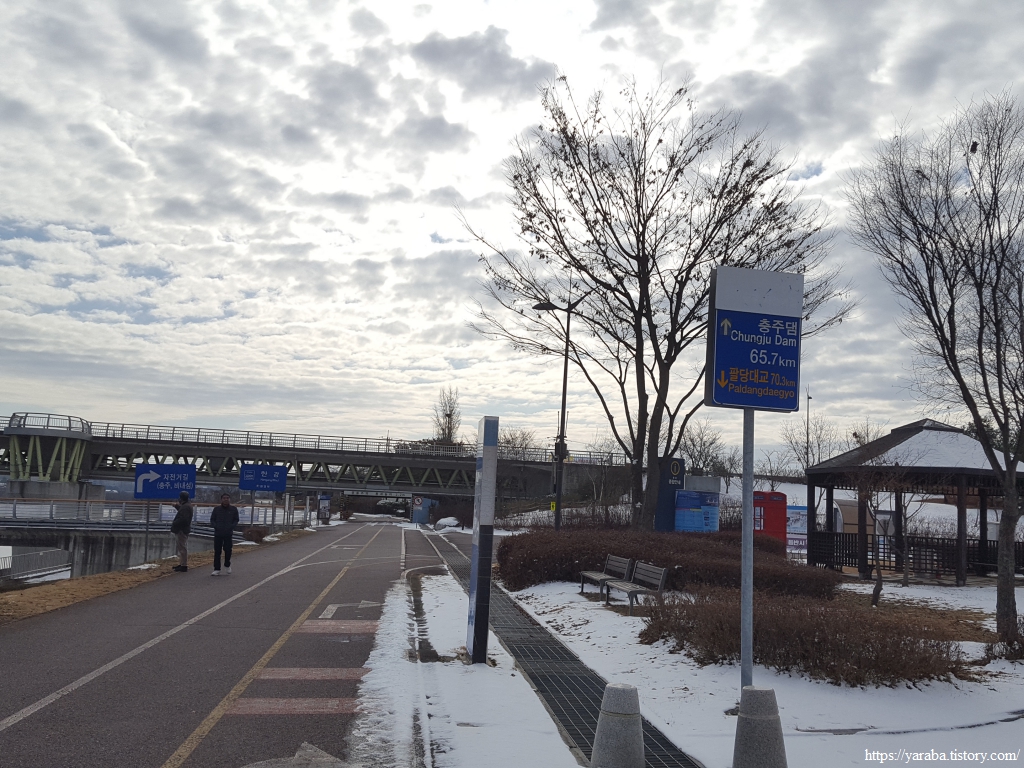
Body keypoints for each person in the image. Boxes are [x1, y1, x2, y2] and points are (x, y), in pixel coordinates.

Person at [209, 493, 239, 576]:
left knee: (228, 550)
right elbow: (212, 519)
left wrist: (232, 527)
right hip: (218, 533)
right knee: (217, 551)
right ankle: (217, 569)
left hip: (228, 533)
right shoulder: (216, 509)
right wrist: (216, 526)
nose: (226, 499)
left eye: (227, 498)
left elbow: (236, 520)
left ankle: (227, 564)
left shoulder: (233, 509)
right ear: (221, 499)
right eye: (224, 498)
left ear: (229, 499)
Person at [170, 491, 193, 572]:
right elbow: (182, 512)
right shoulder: (187, 505)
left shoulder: (185, 507)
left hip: (181, 530)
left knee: (182, 548)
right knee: (181, 547)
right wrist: (176, 506)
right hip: (183, 529)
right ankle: (182, 563)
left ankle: (184, 565)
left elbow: (183, 518)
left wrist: (174, 523)